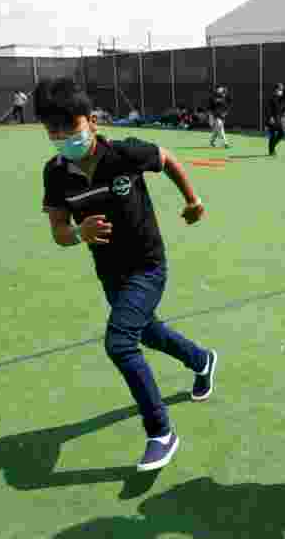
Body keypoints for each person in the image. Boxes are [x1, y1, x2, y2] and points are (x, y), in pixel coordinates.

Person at [34, 77, 218, 471]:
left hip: (148, 265)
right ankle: (202, 360)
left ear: (91, 122)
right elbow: (59, 232)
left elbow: (166, 159)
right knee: (147, 331)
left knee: (120, 342)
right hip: (109, 272)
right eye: (54, 130)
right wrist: (77, 234)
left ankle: (160, 432)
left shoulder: (126, 153)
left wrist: (193, 200)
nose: (64, 136)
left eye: (72, 126)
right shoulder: (55, 174)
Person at [266, 83, 285, 156]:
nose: (281, 91)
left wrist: (283, 114)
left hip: (278, 118)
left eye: (282, 89)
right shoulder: (271, 98)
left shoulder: (281, 98)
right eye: (280, 89)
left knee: (282, 133)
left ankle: (272, 147)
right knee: (272, 135)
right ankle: (271, 151)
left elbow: (281, 108)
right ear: (276, 89)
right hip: (272, 119)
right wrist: (270, 118)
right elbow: (268, 109)